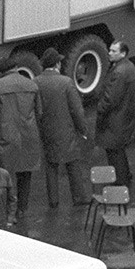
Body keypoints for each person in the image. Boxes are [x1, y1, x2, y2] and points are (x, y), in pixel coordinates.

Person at [0, 59, 44, 225]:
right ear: (17, 69)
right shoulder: (32, 85)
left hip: (6, 136)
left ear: (3, 71)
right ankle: (22, 210)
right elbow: (39, 112)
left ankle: (9, 213)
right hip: (29, 136)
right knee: (26, 174)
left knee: (7, 175)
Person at [35, 47, 89, 209]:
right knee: (72, 163)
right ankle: (79, 197)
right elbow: (76, 109)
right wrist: (83, 129)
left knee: (51, 165)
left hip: (46, 130)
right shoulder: (66, 82)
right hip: (66, 130)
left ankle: (53, 200)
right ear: (57, 64)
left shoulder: (36, 82)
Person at [97, 40, 135, 187]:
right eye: (110, 50)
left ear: (123, 53)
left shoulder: (119, 72)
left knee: (115, 154)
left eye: (114, 51)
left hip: (115, 121)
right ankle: (125, 177)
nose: (109, 53)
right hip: (123, 118)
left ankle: (120, 183)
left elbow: (110, 99)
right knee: (119, 151)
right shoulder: (128, 66)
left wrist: (100, 109)